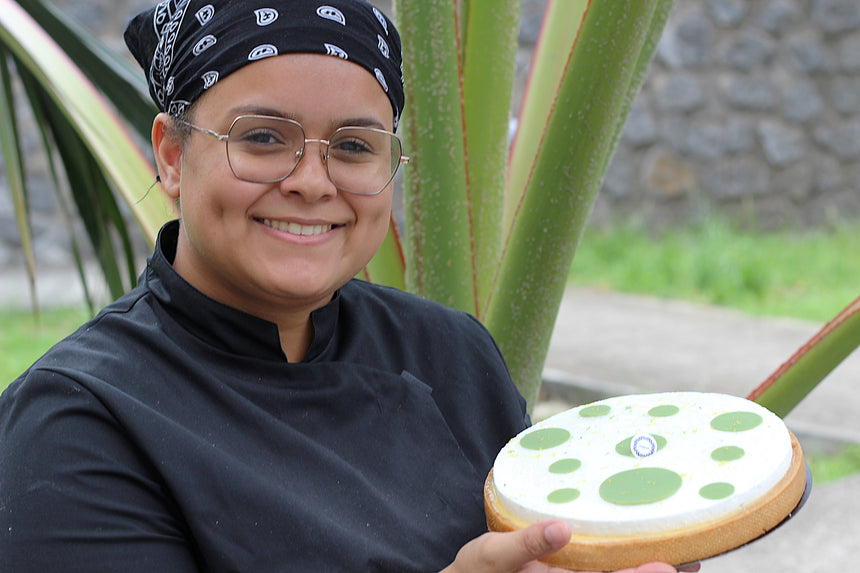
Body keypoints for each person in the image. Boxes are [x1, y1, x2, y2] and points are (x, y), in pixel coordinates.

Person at [0, 1, 698, 572]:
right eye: (263, 138)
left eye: (356, 146)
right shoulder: (76, 419)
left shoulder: (449, 352)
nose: (311, 180)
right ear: (173, 155)